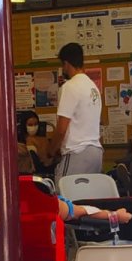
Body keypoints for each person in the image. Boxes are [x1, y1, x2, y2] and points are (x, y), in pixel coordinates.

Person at [52, 42, 102, 181]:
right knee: (88, 199)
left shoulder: (70, 86)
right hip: (96, 153)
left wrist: (50, 151)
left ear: (66, 64)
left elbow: (62, 129)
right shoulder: (93, 87)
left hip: (77, 152)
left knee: (64, 199)